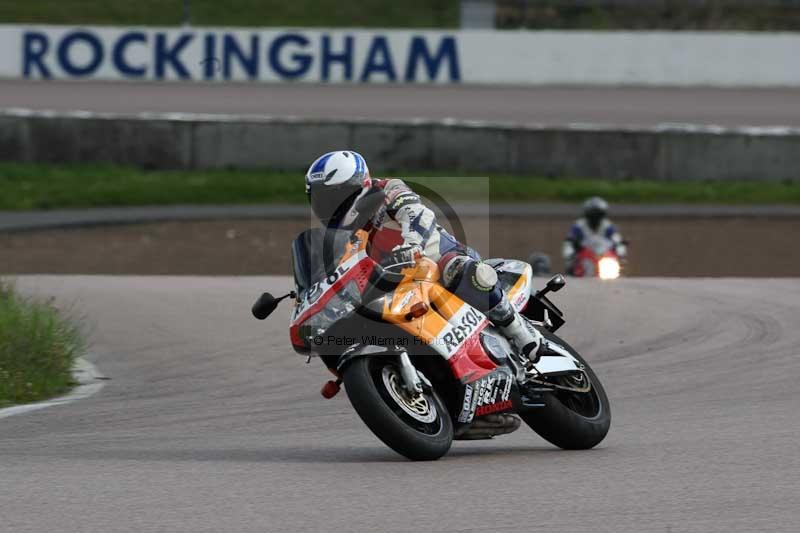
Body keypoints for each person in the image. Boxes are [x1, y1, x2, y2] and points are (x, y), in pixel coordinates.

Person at [304, 150, 548, 372]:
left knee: (457, 269)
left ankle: (518, 330)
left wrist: (411, 244)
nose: (327, 206)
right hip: (392, 287)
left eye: (333, 197)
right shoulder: (335, 239)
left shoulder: (386, 190)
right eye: (319, 199)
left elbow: (416, 213)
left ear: (359, 185)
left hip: (436, 261)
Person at [562, 197, 627, 274]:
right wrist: (570, 256)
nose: (595, 218)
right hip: (584, 256)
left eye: (598, 215)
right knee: (573, 267)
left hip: (604, 256)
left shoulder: (607, 226)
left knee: (618, 269)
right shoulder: (579, 226)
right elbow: (569, 241)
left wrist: (621, 255)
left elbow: (617, 239)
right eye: (592, 215)